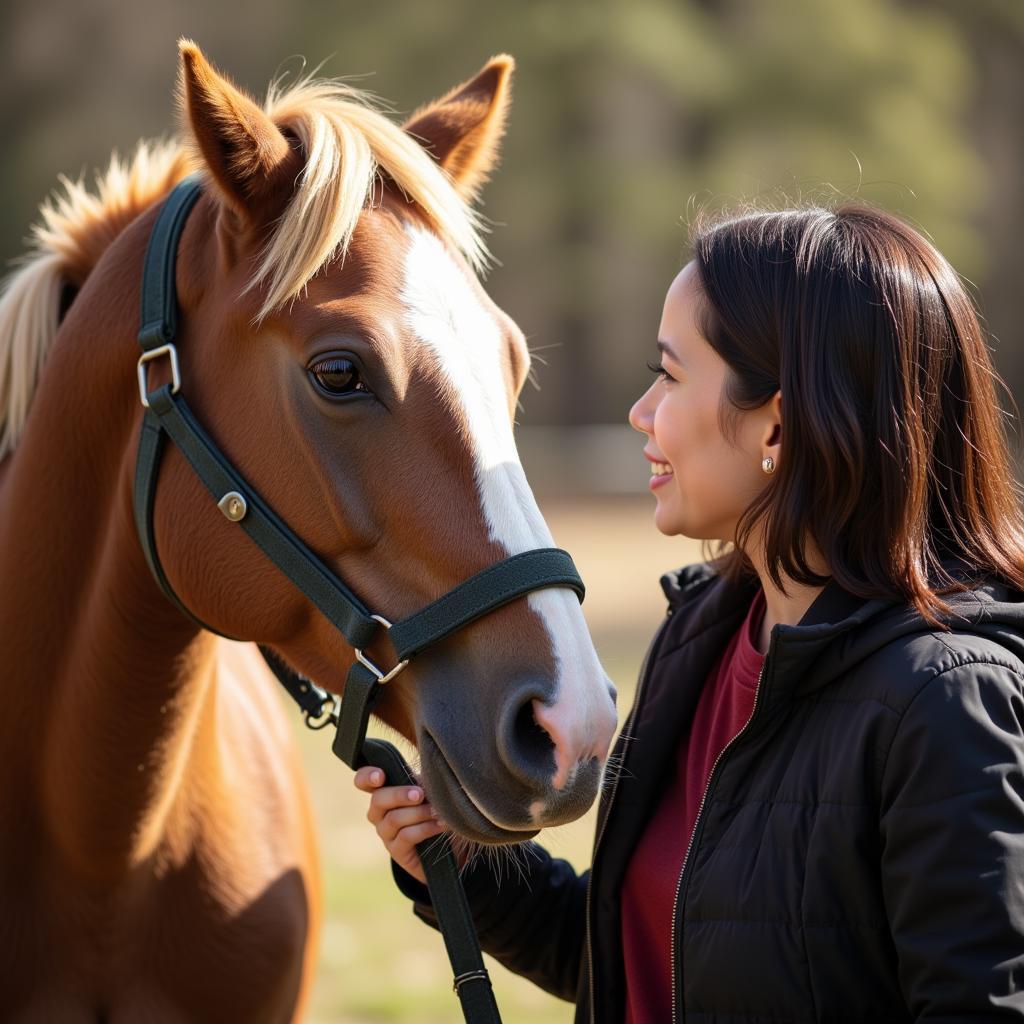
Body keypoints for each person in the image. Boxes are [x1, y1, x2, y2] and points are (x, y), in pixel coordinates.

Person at [355, 202, 1024, 1022]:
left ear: (777, 422)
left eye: (669, 376)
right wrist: (464, 863)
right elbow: (641, 956)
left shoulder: (950, 706)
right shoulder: (701, 635)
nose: (641, 412)